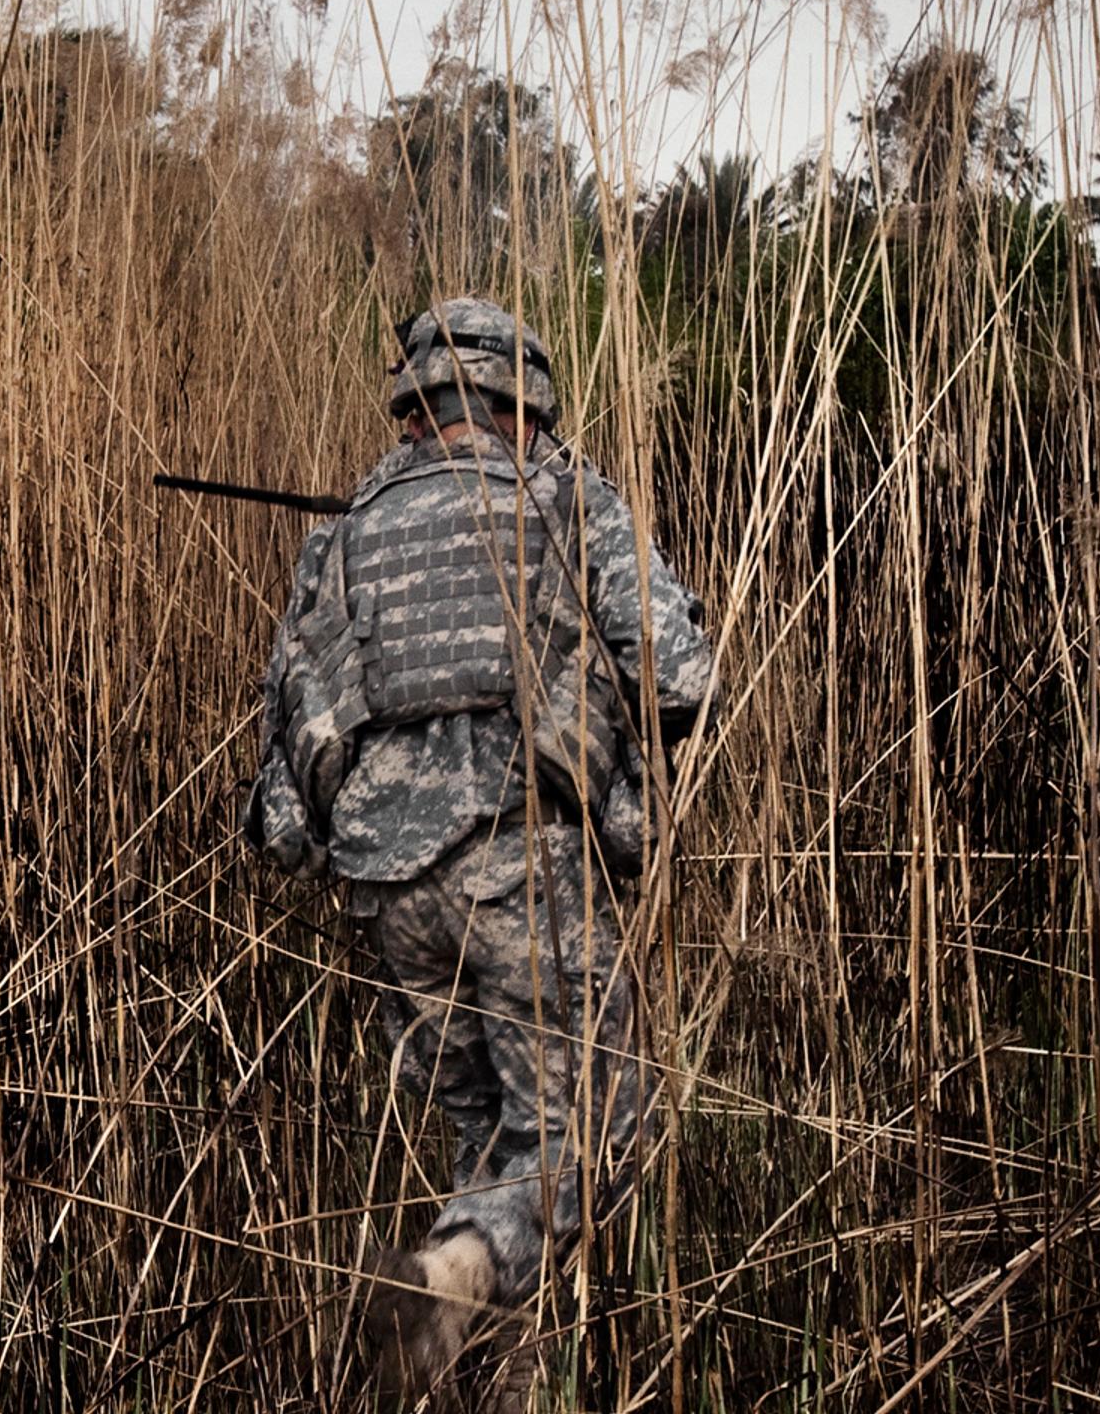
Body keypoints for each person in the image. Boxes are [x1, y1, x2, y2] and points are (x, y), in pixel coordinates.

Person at [244, 301, 715, 1396]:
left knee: (492, 1143)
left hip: (386, 888)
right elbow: (681, 677)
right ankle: (451, 1276)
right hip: (525, 864)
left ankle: (495, 1375)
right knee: (594, 1136)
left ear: (414, 413)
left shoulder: (345, 533)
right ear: (525, 408)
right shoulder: (566, 498)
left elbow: (286, 737)